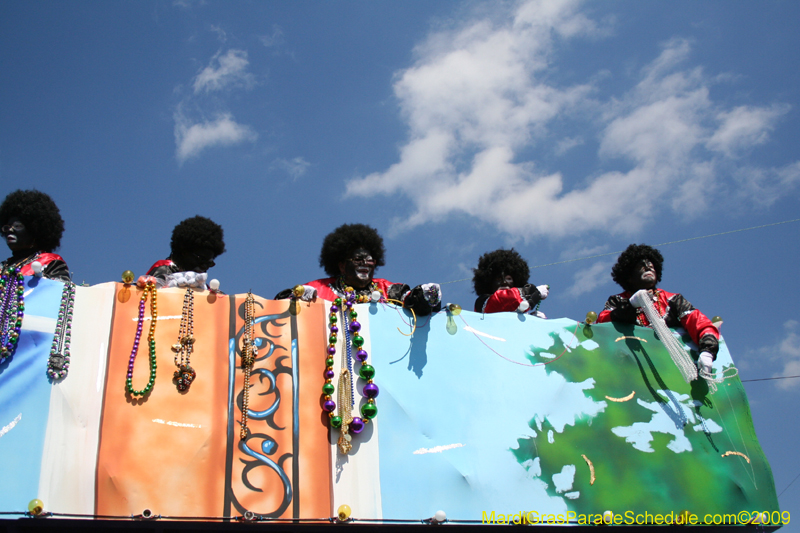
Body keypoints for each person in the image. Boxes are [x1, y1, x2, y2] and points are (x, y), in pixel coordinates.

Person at [597, 244, 719, 373]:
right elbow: (601, 325)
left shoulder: (673, 299)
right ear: (629, 277)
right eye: (641, 266)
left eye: (651, 265)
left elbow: (699, 322)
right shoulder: (617, 301)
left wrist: (708, 351)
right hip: (630, 368)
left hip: (673, 368)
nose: (648, 267)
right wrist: (629, 307)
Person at [275, 223, 442, 315]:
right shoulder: (320, 288)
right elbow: (278, 305)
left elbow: (414, 302)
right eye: (358, 259)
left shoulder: (388, 289)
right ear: (341, 265)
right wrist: (297, 296)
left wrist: (427, 295)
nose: (365, 263)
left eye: (370, 260)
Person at [0, 189, 70, 282]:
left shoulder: (50, 262)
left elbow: (59, 292)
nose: (10, 230)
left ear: (35, 230)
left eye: (17, 226)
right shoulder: (2, 267)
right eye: (7, 227)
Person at [146, 216, 225, 289]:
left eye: (209, 263)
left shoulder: (201, 285)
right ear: (185, 252)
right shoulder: (164, 269)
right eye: (201, 259)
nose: (204, 266)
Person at [472, 248, 549, 315]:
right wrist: (532, 292)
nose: (504, 282)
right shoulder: (481, 303)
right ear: (489, 283)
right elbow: (502, 300)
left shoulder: (522, 312)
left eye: (509, 278)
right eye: (498, 279)